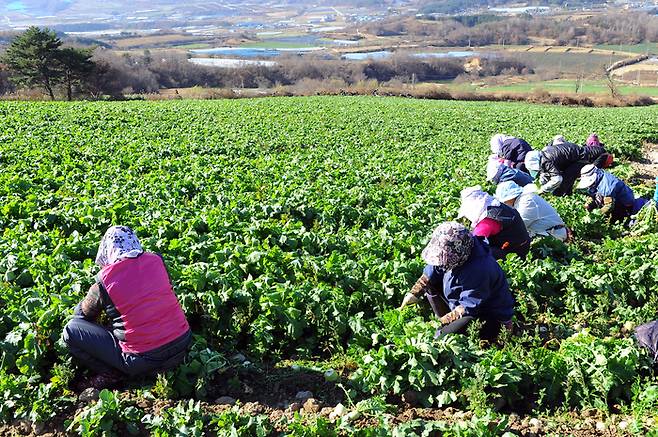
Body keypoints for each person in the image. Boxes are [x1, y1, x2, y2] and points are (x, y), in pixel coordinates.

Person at [63, 226, 191, 389]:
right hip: (182, 343)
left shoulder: (105, 280)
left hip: (144, 359)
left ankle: (111, 373)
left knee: (71, 329)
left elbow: (82, 315)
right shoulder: (156, 261)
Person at [399, 222, 514, 340]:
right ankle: (445, 320)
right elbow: (434, 268)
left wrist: (439, 323)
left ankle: (486, 338)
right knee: (430, 284)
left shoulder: (479, 269)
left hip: (486, 315)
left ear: (458, 254)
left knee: (440, 336)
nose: (442, 263)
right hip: (462, 302)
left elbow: (469, 306)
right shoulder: (456, 252)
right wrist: (414, 293)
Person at [458, 186, 531, 260]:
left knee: (478, 253)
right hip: (523, 243)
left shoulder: (486, 221)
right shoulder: (496, 206)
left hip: (515, 252)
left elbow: (475, 244)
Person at [495, 181, 568, 242]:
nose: (504, 203)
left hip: (554, 236)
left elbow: (518, 225)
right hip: (545, 234)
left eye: (504, 201)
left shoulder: (527, 201)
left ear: (510, 198)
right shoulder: (522, 200)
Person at [577, 165, 644, 223]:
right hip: (612, 197)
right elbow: (592, 193)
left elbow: (609, 206)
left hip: (623, 202)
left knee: (616, 218)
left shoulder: (607, 187)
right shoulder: (598, 177)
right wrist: (588, 204)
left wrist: (596, 215)